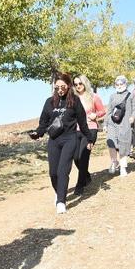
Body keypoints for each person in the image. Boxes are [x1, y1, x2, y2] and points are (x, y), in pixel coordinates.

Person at [30, 72, 94, 213]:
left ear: (68, 86)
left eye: (63, 86)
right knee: (53, 173)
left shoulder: (75, 102)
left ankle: (61, 202)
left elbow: (83, 123)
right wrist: (37, 133)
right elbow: (43, 123)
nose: (60, 89)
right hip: (54, 140)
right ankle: (59, 192)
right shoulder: (49, 102)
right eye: (57, 87)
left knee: (62, 171)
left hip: (69, 139)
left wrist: (90, 138)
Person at [73, 74, 105, 195]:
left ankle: (80, 184)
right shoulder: (73, 98)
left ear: (85, 83)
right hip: (76, 130)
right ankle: (86, 176)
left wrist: (96, 115)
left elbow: (102, 110)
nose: (78, 86)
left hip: (90, 129)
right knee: (76, 157)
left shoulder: (93, 97)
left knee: (83, 156)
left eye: (80, 84)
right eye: (75, 84)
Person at [105, 76, 135, 176]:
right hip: (112, 123)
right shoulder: (112, 96)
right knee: (111, 142)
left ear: (125, 84)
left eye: (121, 84)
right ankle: (114, 161)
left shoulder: (131, 95)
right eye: (117, 84)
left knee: (123, 146)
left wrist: (133, 117)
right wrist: (106, 124)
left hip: (125, 124)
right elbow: (108, 111)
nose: (119, 86)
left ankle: (123, 167)